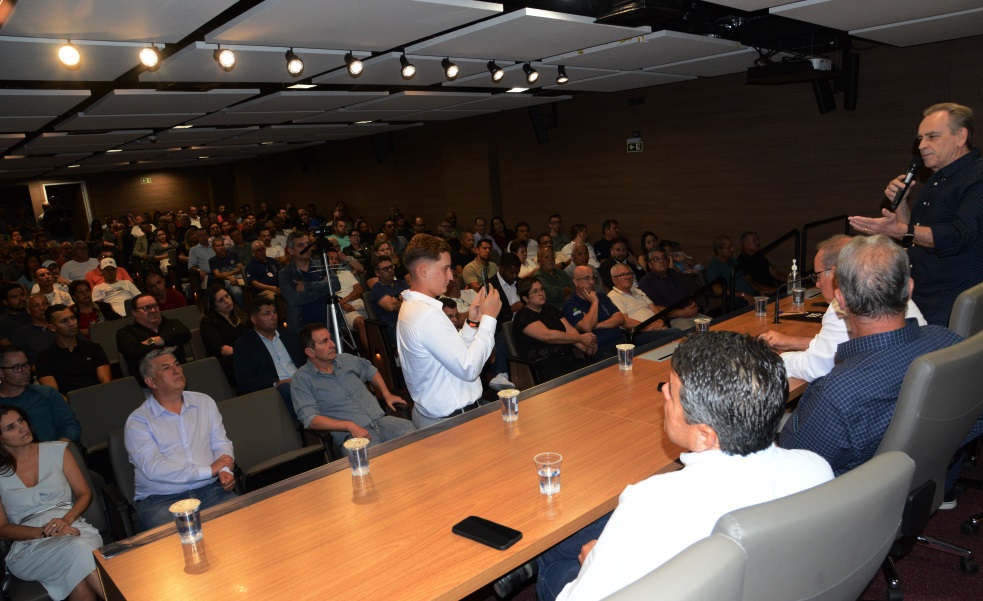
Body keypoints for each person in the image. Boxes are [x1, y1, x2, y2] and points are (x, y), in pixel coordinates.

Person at [533, 332, 833, 601]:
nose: (664, 390)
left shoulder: (650, 502)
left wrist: (592, 565)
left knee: (553, 560)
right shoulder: (816, 468)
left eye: (673, 393)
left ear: (704, 435)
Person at [779, 235, 963, 476]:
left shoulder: (837, 393)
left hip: (847, 491)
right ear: (909, 290)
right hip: (923, 476)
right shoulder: (950, 342)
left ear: (842, 300)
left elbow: (793, 468)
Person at [850, 102, 983, 326]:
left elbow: (957, 237)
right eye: (920, 138)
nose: (921, 146)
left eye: (932, 137)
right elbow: (914, 234)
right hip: (921, 298)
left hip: (951, 306)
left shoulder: (977, 177)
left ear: (960, 136)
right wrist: (901, 205)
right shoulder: (936, 179)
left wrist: (901, 231)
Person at [759, 235, 926, 382]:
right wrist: (793, 342)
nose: (817, 284)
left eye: (817, 275)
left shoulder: (843, 306)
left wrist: (775, 359)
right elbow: (840, 344)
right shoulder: (896, 294)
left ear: (835, 273)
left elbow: (816, 368)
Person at [0, 406, 105, 601]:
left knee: (78, 574)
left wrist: (65, 521)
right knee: (78, 550)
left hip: (72, 527)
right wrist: (46, 532)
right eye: (10, 427)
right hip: (29, 546)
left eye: (21, 420)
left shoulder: (57, 450)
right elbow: (3, 529)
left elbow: (84, 493)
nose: (22, 428)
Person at [124, 349, 237, 530]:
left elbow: (220, 443)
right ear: (151, 382)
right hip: (160, 499)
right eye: (166, 368)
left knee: (239, 522)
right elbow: (155, 469)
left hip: (209, 490)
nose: (176, 370)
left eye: (177, 364)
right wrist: (210, 470)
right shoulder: (138, 421)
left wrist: (224, 470)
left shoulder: (204, 402)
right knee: (178, 536)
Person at [397, 234, 501, 428]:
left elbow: (453, 354)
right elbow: (469, 368)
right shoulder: (427, 315)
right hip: (451, 423)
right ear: (423, 270)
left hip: (440, 417)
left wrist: (472, 323)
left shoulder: (414, 306)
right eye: (445, 269)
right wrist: (489, 318)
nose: (452, 276)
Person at [292, 324, 414, 449]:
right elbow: (310, 419)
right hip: (353, 436)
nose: (332, 344)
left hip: (382, 422)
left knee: (414, 434)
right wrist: (348, 425)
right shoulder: (301, 379)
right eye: (324, 341)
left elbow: (369, 370)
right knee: (374, 456)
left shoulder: (345, 359)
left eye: (330, 339)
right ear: (310, 352)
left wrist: (386, 394)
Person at [233, 296, 305, 417]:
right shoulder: (243, 345)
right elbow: (244, 383)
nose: (274, 316)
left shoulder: (289, 334)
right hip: (275, 390)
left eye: (274, 312)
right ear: (254, 319)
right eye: (267, 314)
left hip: (302, 381)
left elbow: (305, 362)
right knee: (286, 389)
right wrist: (276, 383)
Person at [511, 278, 595, 382]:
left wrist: (586, 347)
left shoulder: (551, 309)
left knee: (594, 374)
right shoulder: (522, 316)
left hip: (568, 358)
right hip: (545, 365)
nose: (541, 293)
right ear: (525, 298)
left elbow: (569, 330)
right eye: (535, 291)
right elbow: (548, 336)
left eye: (542, 289)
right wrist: (580, 338)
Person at [0, 347, 80, 443]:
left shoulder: (47, 393)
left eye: (26, 365)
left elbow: (70, 424)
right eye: (17, 367)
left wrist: (57, 447)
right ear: (1, 373)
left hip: (53, 448)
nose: (26, 371)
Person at [35, 305, 111, 396]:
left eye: (72, 318)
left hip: (99, 396)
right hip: (67, 402)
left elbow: (106, 381)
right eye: (64, 321)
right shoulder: (44, 358)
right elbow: (53, 394)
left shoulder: (94, 348)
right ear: (52, 327)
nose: (71, 323)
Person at [117, 294, 191, 384]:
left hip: (181, 378)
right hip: (150, 385)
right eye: (146, 308)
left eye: (155, 306)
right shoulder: (126, 333)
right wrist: (165, 345)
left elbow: (185, 334)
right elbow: (134, 350)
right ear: (134, 312)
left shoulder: (172, 323)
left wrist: (152, 341)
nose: (153, 310)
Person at [278, 230, 340, 330]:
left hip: (329, 324)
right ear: (291, 250)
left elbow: (336, 284)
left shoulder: (321, 265)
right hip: (302, 328)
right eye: (301, 245)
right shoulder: (285, 273)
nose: (306, 248)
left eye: (307, 244)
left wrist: (307, 286)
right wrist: (324, 290)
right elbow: (294, 299)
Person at [563, 266, 627, 361]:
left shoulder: (602, 297)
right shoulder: (570, 305)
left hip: (620, 342)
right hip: (600, 350)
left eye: (593, 278)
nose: (592, 282)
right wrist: (594, 302)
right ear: (576, 282)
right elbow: (587, 327)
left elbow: (620, 319)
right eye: (586, 278)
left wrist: (596, 325)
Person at [637, 248, 706, 330]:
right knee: (695, 331)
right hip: (671, 320)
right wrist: (682, 313)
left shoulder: (673, 273)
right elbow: (655, 308)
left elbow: (686, 295)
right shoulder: (646, 282)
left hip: (690, 313)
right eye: (656, 259)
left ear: (668, 261)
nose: (661, 261)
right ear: (650, 264)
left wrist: (692, 305)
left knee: (713, 325)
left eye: (664, 258)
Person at [200, 285, 250, 387]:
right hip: (225, 362)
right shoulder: (207, 323)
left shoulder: (241, 314)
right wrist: (245, 353)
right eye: (221, 300)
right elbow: (222, 349)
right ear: (214, 306)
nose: (227, 301)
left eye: (227, 296)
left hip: (245, 356)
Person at [706, 235, 756, 308]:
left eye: (732, 246)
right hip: (736, 301)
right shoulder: (713, 267)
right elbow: (718, 291)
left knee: (769, 298)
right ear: (719, 250)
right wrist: (742, 294)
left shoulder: (733, 261)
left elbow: (745, 279)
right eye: (729, 248)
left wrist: (760, 289)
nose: (732, 249)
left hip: (750, 294)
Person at [369, 256, 408, 346]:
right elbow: (391, 306)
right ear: (377, 273)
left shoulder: (401, 283)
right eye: (385, 269)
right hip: (393, 325)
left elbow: (415, 299)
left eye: (391, 267)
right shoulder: (377, 289)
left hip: (409, 319)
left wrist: (397, 299)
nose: (390, 270)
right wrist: (407, 299)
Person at [11, 293, 55, 363]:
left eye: (45, 304)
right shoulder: (21, 333)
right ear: (28, 310)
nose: (42, 308)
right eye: (36, 305)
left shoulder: (60, 327)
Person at [207, 237, 245, 307]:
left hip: (241, 277)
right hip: (228, 282)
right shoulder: (212, 260)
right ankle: (243, 310)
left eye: (222, 245)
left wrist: (229, 273)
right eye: (218, 246)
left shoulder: (233, 254)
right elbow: (217, 274)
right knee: (237, 292)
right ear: (213, 248)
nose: (221, 248)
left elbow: (241, 268)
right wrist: (229, 277)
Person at [535, 246, 573, 310]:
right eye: (546, 257)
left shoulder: (562, 273)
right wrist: (567, 290)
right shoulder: (538, 276)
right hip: (552, 311)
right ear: (539, 261)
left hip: (571, 306)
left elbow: (574, 289)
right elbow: (551, 294)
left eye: (552, 256)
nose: (550, 259)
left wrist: (566, 293)